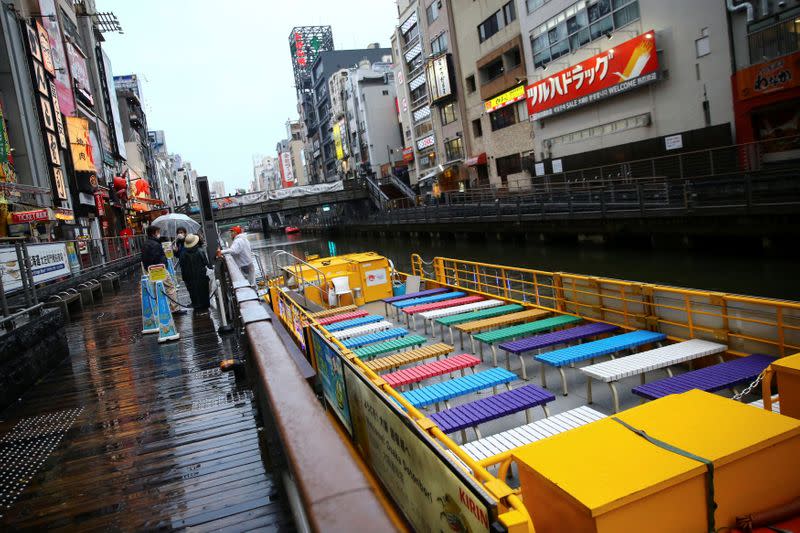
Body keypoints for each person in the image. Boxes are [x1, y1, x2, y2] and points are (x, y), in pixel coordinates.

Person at [142, 225, 186, 315]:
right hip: (160, 269)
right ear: (154, 233)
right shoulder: (155, 244)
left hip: (150, 271)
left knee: (156, 290)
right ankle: (175, 308)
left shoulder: (146, 243)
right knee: (170, 287)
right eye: (158, 232)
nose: (159, 234)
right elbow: (157, 257)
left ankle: (160, 309)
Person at [180, 233, 211, 312]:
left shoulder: (183, 254)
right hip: (202, 276)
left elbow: (182, 267)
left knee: (193, 293)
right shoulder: (200, 251)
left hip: (189, 278)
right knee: (203, 292)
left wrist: (184, 278)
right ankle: (205, 309)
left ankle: (197, 308)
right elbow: (205, 263)